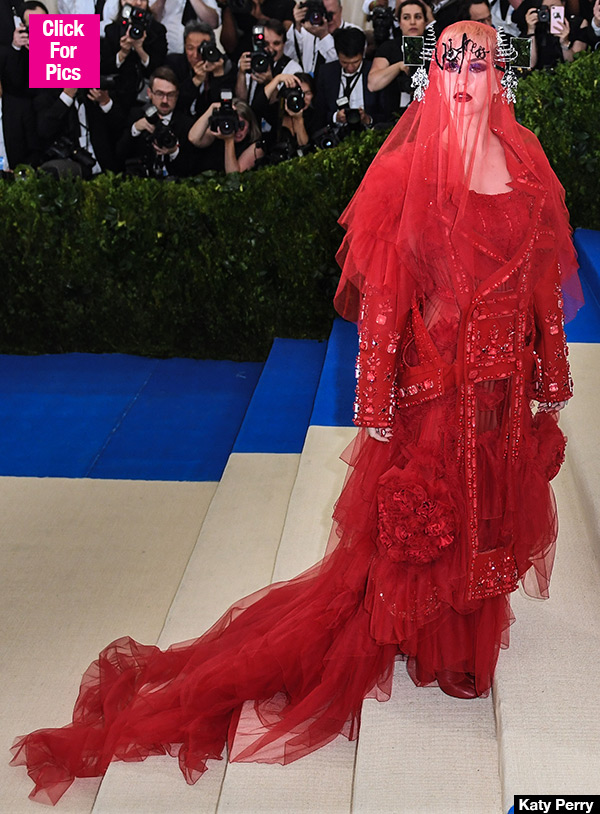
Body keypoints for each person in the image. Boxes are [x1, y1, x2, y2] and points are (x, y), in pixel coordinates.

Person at [10, 21, 582, 806]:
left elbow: (545, 286)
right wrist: (374, 399)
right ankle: (434, 643)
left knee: (488, 517)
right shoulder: (409, 173)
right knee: (433, 522)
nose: (462, 80)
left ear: (499, 78)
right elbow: (384, 303)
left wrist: (553, 370)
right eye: (449, 64)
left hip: (505, 394)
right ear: (430, 76)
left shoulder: (524, 168)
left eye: (477, 66)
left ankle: (464, 635)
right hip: (435, 393)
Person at [367, 0, 429, 117]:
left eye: (418, 17)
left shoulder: (436, 47)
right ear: (399, 22)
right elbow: (373, 84)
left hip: (427, 115)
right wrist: (398, 66)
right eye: (406, 17)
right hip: (393, 117)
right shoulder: (389, 47)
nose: (412, 22)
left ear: (425, 22)